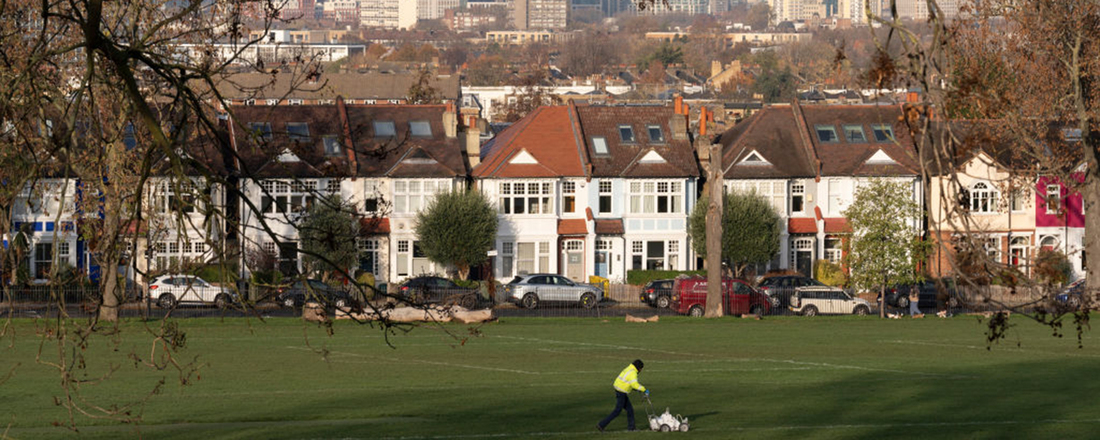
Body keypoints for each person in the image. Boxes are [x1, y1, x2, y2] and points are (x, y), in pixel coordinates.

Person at [597, 359, 648, 432]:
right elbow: (634, 384)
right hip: (621, 392)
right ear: (638, 367)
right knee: (617, 411)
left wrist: (635, 389)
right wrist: (644, 389)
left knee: (630, 410)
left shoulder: (629, 368)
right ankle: (601, 425)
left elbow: (628, 382)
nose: (641, 370)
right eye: (641, 368)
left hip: (619, 389)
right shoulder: (633, 373)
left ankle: (631, 427)